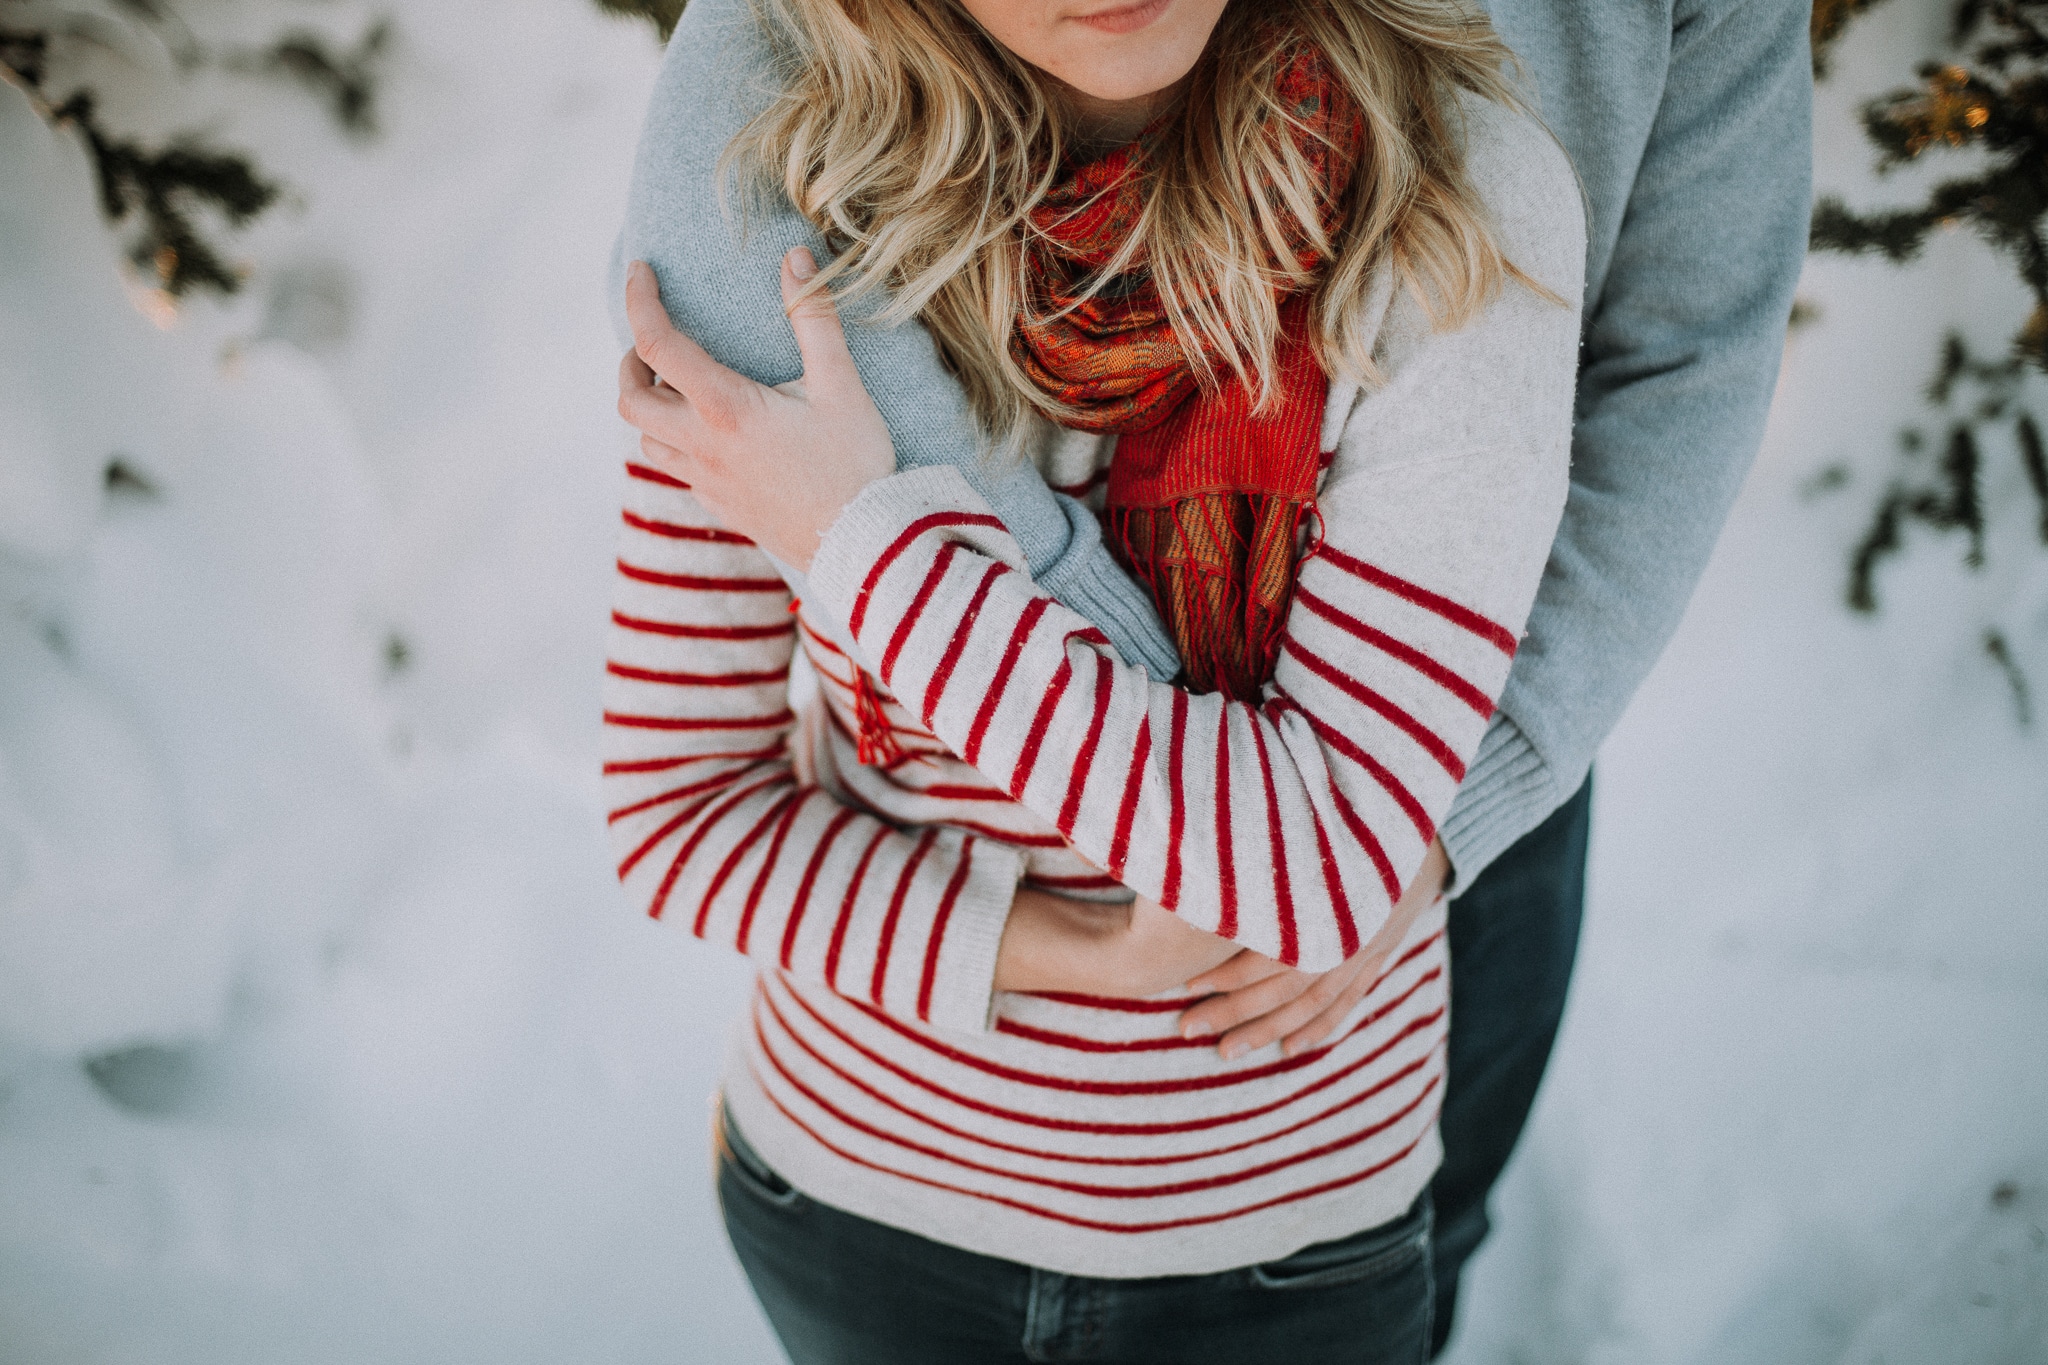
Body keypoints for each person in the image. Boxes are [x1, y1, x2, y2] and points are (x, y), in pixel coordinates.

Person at [604, 0, 1585, 1359]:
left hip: (1278, 1260)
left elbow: (1314, 871)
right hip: (854, 1206)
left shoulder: (1450, 206)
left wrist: (863, 542)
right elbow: (677, 807)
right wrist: (1075, 955)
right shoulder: (771, 221)